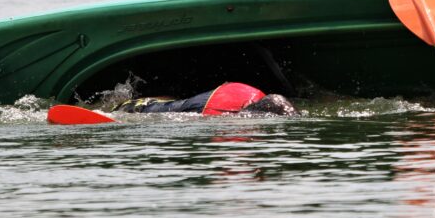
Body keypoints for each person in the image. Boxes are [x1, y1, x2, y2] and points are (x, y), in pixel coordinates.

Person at [113, 82, 298, 116]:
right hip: (222, 102)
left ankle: (126, 106)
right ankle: (127, 107)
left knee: (172, 106)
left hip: (237, 92)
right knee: (169, 108)